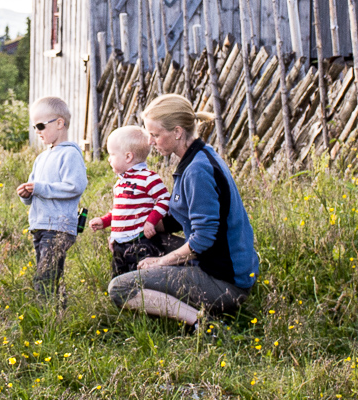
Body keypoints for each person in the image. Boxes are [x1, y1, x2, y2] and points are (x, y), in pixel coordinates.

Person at [106, 94, 260, 332]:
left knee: (120, 289)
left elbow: (203, 238)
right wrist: (128, 230)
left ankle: (202, 324)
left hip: (225, 281)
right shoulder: (198, 157)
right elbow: (178, 218)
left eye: (155, 135)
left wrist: (161, 262)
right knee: (142, 243)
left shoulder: (197, 170)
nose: (150, 141)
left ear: (177, 132)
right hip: (219, 263)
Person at [88, 125, 181, 279]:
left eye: (112, 154)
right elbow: (121, 211)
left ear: (128, 157)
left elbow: (164, 199)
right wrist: (104, 221)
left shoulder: (148, 177)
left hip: (139, 242)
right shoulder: (121, 182)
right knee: (119, 280)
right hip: (119, 244)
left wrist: (151, 222)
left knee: (140, 279)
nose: (109, 159)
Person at [18, 96, 88, 295]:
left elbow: (75, 186)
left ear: (59, 123)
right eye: (35, 127)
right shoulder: (41, 158)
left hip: (58, 226)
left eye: (41, 126)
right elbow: (36, 191)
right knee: (48, 275)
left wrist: (40, 188)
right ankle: (56, 311)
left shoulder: (70, 154)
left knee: (45, 278)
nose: (38, 132)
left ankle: (46, 317)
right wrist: (26, 194)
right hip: (40, 225)